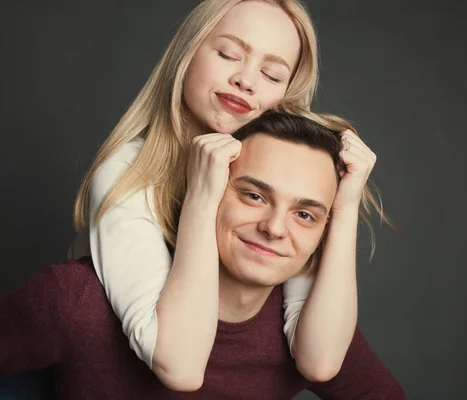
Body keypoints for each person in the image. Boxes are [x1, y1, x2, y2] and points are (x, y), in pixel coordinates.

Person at [0, 111, 405, 399]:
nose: (275, 227)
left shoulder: (312, 328)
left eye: (306, 215)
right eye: (253, 195)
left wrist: (345, 207)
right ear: (208, 191)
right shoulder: (76, 301)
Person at [68, 0, 389, 388]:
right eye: (228, 54)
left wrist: (346, 202)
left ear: (287, 94)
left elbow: (320, 362)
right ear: (187, 54)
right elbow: (180, 367)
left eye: (271, 74)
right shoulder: (127, 173)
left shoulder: (279, 192)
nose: (246, 80)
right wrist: (202, 197)